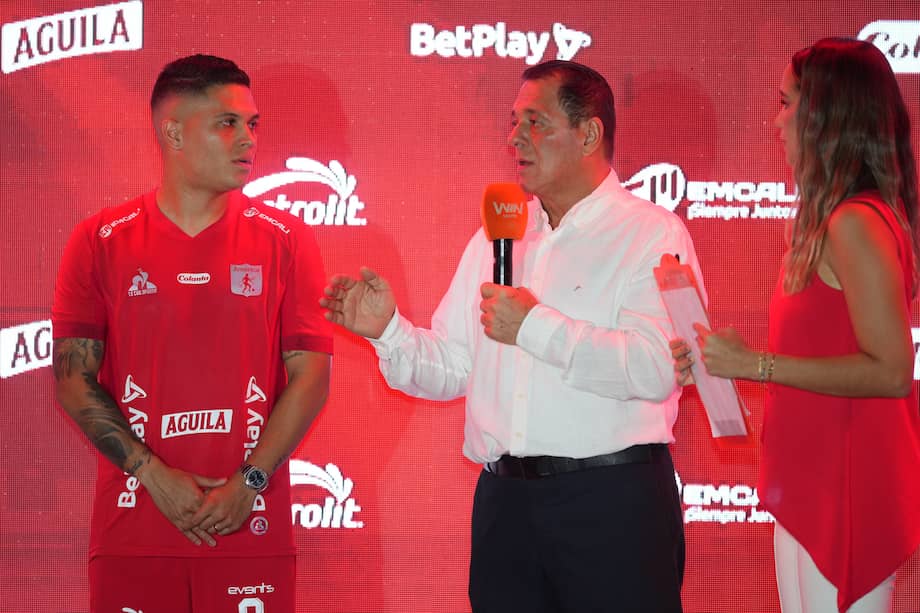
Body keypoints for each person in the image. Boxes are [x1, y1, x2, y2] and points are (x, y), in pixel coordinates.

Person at [322, 60, 704, 613]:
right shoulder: (497, 234)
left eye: (535, 122)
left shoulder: (650, 232)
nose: (514, 139)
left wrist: (535, 327)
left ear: (589, 133)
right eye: (513, 122)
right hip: (506, 507)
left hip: (613, 503)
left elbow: (656, 368)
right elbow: (453, 366)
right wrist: (388, 331)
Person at [52, 54, 333, 613]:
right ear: (172, 131)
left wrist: (249, 482)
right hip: (134, 529)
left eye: (252, 124)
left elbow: (311, 377)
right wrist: (152, 475)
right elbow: (73, 379)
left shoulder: (288, 240)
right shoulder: (99, 240)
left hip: (248, 529)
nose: (247, 139)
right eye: (226, 123)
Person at [672, 38, 920, 613]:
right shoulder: (832, 221)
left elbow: (889, 370)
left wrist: (754, 365)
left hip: (847, 490)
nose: (775, 121)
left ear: (826, 116)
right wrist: (725, 360)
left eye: (786, 103)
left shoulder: (856, 222)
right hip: (813, 484)